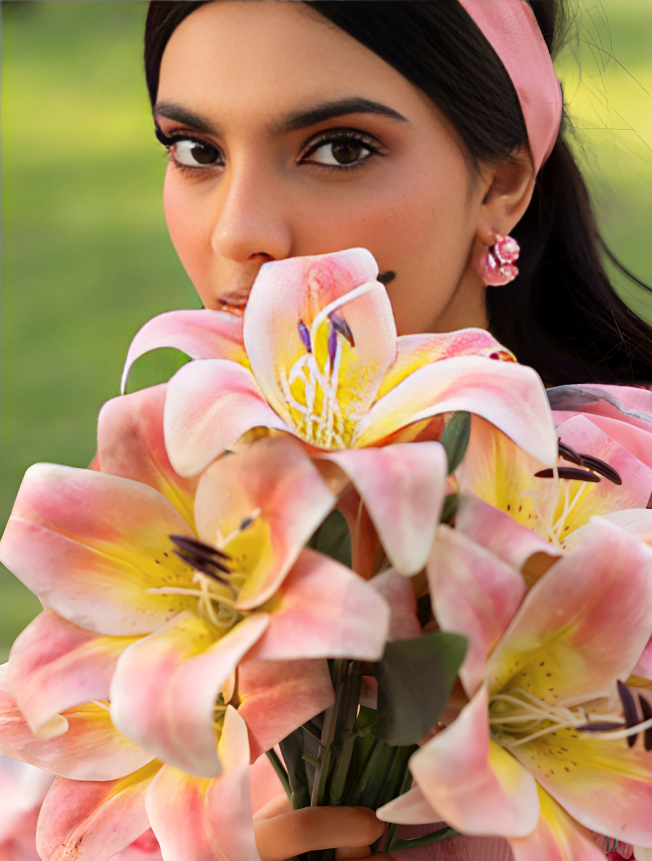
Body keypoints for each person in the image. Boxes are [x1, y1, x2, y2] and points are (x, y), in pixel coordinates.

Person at [142, 1, 651, 857]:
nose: (237, 232)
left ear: (501, 185)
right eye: (197, 151)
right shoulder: (171, 511)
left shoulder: (615, 504)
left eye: (340, 149)